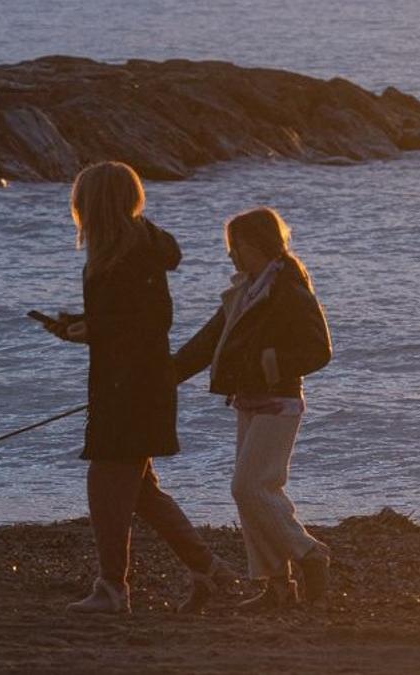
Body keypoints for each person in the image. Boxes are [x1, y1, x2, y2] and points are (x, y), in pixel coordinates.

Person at [45, 161, 236, 614]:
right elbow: (129, 321)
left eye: (81, 201)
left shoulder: (129, 254)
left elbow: (149, 324)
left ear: (94, 204)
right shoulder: (129, 248)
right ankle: (210, 571)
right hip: (129, 383)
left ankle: (112, 588)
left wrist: (93, 330)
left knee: (106, 481)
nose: (77, 209)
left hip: (132, 389)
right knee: (141, 492)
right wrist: (82, 325)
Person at [173, 206, 333, 611]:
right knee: (252, 492)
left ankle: (310, 554)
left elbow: (319, 350)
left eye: (235, 246)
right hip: (248, 401)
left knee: (251, 487)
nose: (230, 255)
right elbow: (205, 345)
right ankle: (278, 587)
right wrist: (160, 376)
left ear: (258, 244)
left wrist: (272, 363)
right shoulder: (244, 292)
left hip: (280, 401)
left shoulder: (289, 289)